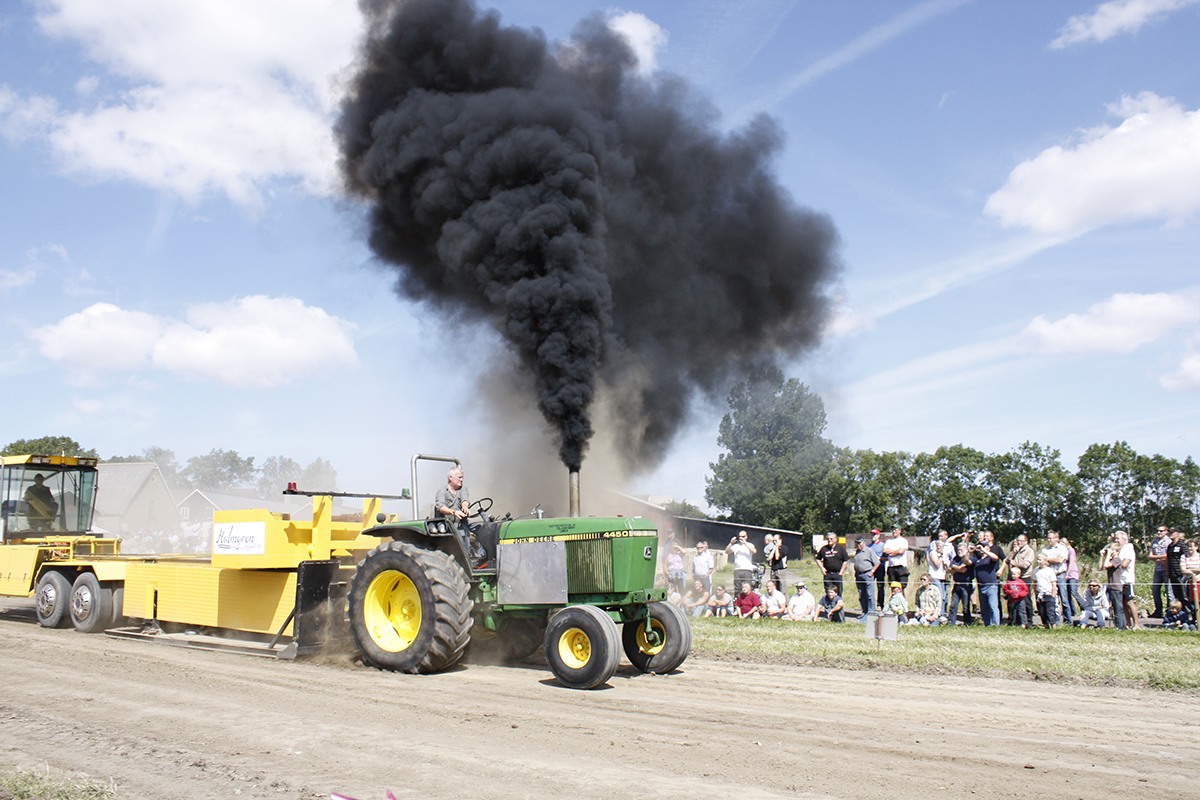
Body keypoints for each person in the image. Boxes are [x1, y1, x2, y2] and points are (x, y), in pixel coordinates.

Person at [973, 530, 1005, 627]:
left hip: (991, 584)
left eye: (987, 536)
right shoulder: (979, 559)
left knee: (993, 606)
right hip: (981, 585)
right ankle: (987, 624)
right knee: (984, 607)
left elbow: (997, 558)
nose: (985, 537)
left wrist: (1001, 570)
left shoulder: (994, 553)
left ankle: (995, 624)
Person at [1039, 530, 1072, 626]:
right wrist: (1053, 560)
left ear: (1057, 539)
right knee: (1052, 598)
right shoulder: (1045, 550)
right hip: (1049, 576)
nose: (1049, 540)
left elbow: (1061, 560)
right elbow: (1044, 562)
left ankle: (1068, 620)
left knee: (1064, 599)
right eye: (1048, 538)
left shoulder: (1062, 548)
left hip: (1060, 574)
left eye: (1051, 538)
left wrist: (1048, 559)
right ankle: (1054, 620)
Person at [1165, 528, 1194, 625]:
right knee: (1177, 596)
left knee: (1184, 596)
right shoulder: (1169, 546)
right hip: (1173, 575)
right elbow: (1168, 560)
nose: (1170, 535)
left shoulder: (1182, 545)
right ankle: (1180, 616)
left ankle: (1190, 615)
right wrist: (1168, 572)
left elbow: (1186, 557)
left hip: (1181, 575)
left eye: (1172, 533)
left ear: (1177, 534)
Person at [1008, 534, 1036, 628]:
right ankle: (1016, 620)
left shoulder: (1029, 551)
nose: (1019, 542)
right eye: (1018, 540)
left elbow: (1025, 565)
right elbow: (1008, 560)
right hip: (1015, 578)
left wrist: (1014, 563)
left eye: (1021, 541)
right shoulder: (1016, 550)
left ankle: (1029, 620)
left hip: (1024, 577)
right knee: (1015, 599)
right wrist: (1013, 553)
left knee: (1026, 599)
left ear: (1026, 542)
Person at [946, 542, 975, 626]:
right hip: (956, 584)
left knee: (966, 607)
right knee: (953, 606)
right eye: (958, 549)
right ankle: (951, 623)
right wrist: (957, 568)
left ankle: (968, 623)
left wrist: (955, 567)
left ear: (966, 550)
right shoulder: (956, 558)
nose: (959, 551)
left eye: (961, 549)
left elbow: (963, 570)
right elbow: (949, 570)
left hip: (966, 585)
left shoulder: (971, 558)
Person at [1148, 525, 1173, 618]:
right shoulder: (1155, 542)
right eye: (1158, 531)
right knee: (1155, 591)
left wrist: (1155, 558)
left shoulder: (1169, 542)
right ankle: (1158, 611)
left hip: (1166, 569)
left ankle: (1170, 612)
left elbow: (1168, 556)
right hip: (1157, 570)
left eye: (1161, 531)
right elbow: (1150, 556)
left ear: (1166, 531)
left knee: (1169, 592)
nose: (1159, 533)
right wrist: (1159, 559)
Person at [926, 530, 951, 618]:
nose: (940, 547)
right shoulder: (933, 553)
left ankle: (944, 612)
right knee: (940, 594)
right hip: (935, 576)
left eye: (941, 546)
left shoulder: (943, 554)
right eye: (938, 546)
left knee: (945, 595)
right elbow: (936, 564)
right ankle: (939, 613)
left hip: (943, 576)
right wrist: (941, 558)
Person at [853, 536, 879, 616]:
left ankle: (872, 612)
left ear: (864, 543)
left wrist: (872, 571)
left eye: (859, 543)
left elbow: (877, 563)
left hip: (867, 574)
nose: (858, 545)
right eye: (857, 543)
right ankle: (864, 611)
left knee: (870, 594)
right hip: (859, 575)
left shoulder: (869, 550)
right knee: (862, 594)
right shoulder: (857, 552)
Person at [1034, 555, 1059, 629]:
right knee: (1042, 612)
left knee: (1050, 612)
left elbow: (1054, 584)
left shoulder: (1049, 571)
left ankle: (1054, 627)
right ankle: (1046, 626)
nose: (1038, 561)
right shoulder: (1036, 570)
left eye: (1040, 560)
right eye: (1038, 560)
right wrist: (1036, 593)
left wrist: (1053, 595)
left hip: (1048, 593)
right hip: (1040, 594)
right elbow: (1035, 582)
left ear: (1045, 561)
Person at [883, 529, 910, 594]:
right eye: (893, 530)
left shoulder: (903, 541)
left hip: (901, 566)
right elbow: (885, 551)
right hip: (891, 566)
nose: (894, 531)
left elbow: (901, 551)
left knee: (903, 586)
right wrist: (896, 551)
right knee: (893, 586)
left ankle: (905, 603)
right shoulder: (888, 541)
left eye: (896, 530)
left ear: (900, 531)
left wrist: (891, 553)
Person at [869, 529, 887, 609]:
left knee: (880, 586)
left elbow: (886, 557)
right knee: (869, 586)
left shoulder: (883, 545)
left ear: (878, 536)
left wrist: (879, 559)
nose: (873, 536)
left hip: (880, 567)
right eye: (872, 534)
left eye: (875, 534)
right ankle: (870, 605)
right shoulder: (868, 546)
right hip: (871, 568)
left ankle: (880, 604)